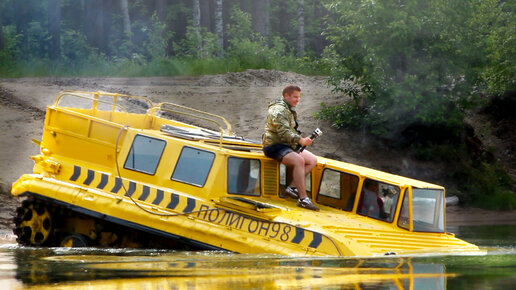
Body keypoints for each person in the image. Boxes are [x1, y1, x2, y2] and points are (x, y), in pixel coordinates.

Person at [262, 84, 319, 211]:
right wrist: (301, 140)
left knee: (312, 160)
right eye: (295, 97)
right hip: (273, 146)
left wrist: (301, 141)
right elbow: (283, 131)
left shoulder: (288, 109)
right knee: (299, 161)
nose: (297, 100)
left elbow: (290, 131)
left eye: (299, 97)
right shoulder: (279, 110)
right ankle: (303, 199)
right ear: (286, 96)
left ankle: (292, 187)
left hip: (287, 145)